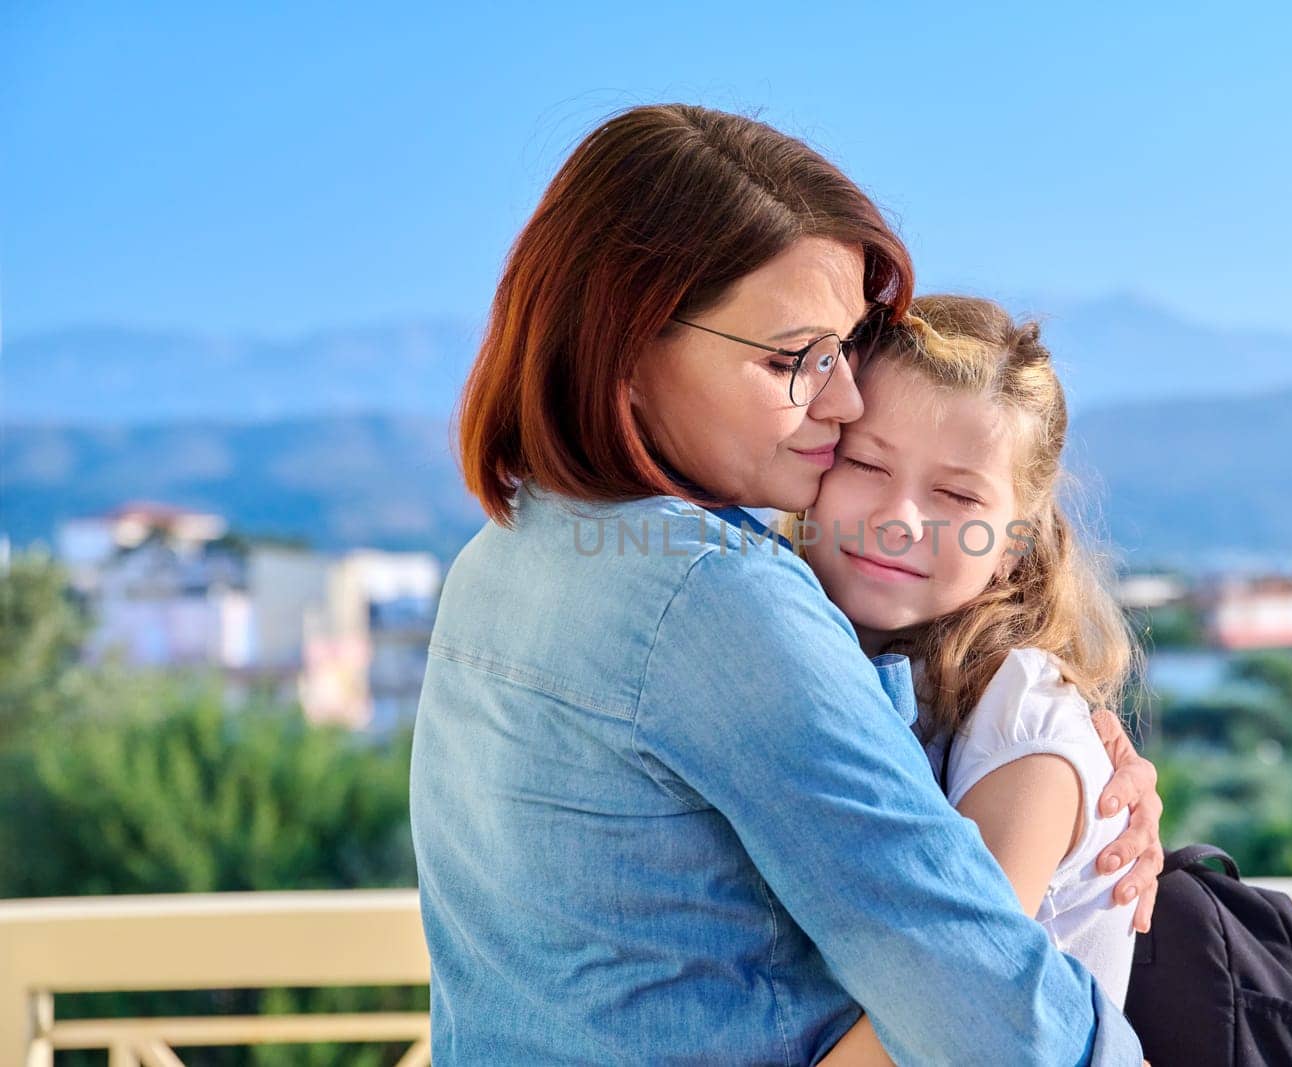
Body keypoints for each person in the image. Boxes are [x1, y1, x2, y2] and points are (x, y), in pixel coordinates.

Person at [409, 103, 1164, 1064]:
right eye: (792, 359)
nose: (843, 399)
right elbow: (988, 1016)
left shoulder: (505, 553)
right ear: (628, 351)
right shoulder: (716, 599)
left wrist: (1063, 768)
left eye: (843, 348)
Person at [782, 296, 1141, 1065]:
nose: (901, 520)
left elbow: (954, 1001)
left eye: (957, 495)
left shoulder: (1024, 722)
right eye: (867, 463)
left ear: (1015, 539)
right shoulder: (817, 666)